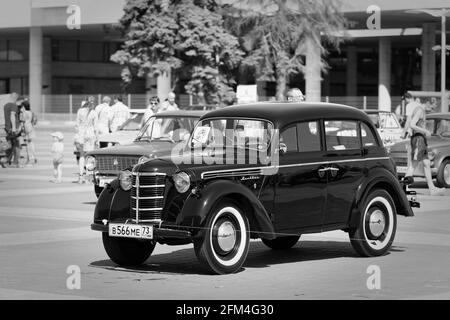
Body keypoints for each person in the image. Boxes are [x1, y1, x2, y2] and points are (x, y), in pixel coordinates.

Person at [404, 103, 445, 196]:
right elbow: (412, 124)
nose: (432, 108)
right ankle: (404, 187)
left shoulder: (419, 110)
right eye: (431, 105)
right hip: (419, 139)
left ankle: (432, 189)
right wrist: (425, 131)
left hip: (419, 139)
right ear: (426, 103)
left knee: (426, 164)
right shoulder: (419, 110)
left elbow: (412, 127)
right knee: (413, 166)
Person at [75, 96, 98, 183]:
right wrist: (97, 139)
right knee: (89, 156)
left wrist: (78, 134)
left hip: (81, 134)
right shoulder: (94, 112)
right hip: (90, 134)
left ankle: (81, 176)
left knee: (81, 156)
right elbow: (96, 127)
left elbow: (76, 124)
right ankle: (89, 176)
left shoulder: (80, 111)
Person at [3, 93, 25, 168]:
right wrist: (14, 128)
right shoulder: (13, 106)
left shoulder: (6, 105)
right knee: (17, 145)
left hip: (7, 128)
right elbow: (12, 115)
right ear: (16, 99)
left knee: (10, 145)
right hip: (13, 129)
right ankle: (15, 163)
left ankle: (6, 161)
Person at [19, 99, 37, 165]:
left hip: (25, 128)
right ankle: (34, 156)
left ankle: (27, 157)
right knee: (31, 143)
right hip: (31, 127)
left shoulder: (24, 113)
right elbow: (34, 121)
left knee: (23, 143)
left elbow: (21, 121)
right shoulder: (31, 112)